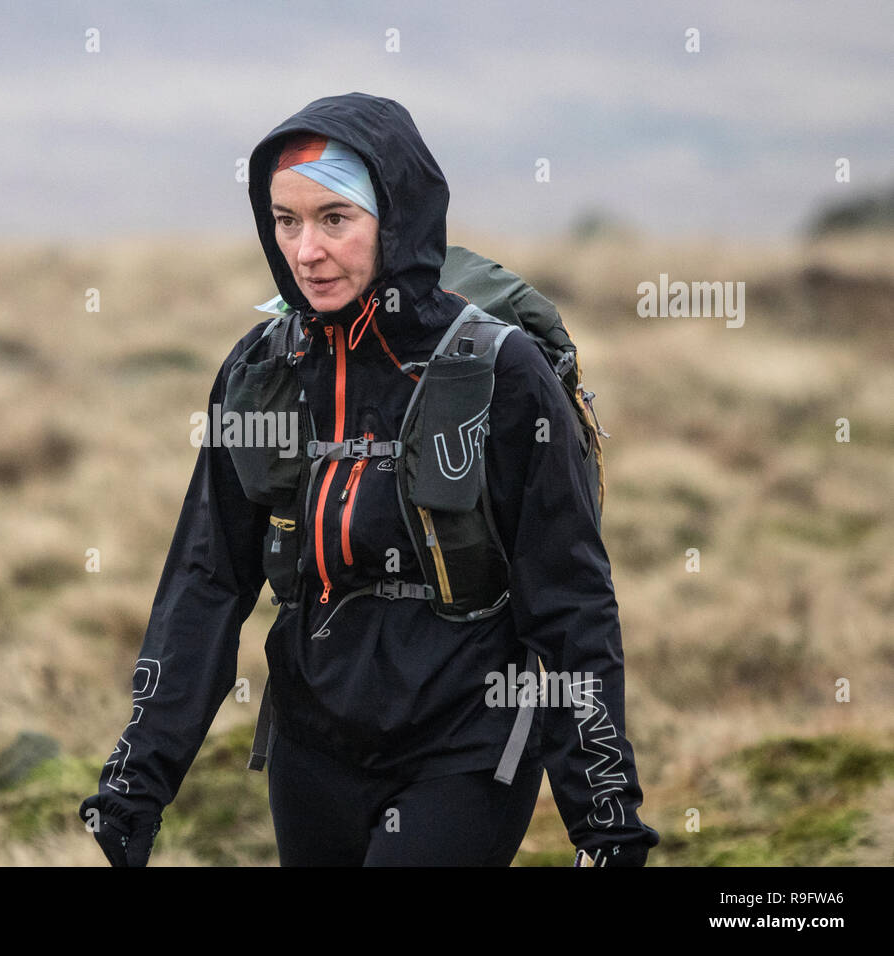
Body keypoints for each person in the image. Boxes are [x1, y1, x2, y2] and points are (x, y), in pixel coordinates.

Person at [79, 92, 660, 867]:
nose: (306, 251)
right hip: (311, 747)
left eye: (334, 219)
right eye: (286, 221)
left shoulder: (503, 372)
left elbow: (568, 601)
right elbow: (208, 580)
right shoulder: (263, 370)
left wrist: (604, 816)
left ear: (398, 218)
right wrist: (136, 783)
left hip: (468, 741)